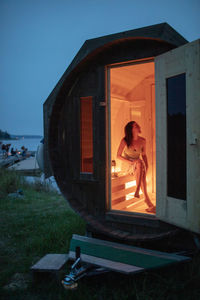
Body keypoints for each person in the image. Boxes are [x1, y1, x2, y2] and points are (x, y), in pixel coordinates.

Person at [117, 121, 155, 213]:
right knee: (139, 164)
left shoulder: (143, 140)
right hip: (127, 164)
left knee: (140, 164)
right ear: (131, 129)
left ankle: (139, 191)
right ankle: (146, 199)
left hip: (138, 164)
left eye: (137, 125)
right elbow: (118, 156)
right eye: (135, 126)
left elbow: (144, 155)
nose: (138, 126)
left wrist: (147, 165)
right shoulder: (125, 140)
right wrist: (131, 162)